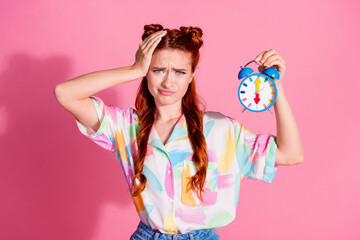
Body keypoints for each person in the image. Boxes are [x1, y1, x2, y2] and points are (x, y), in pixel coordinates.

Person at [54, 24, 304, 240]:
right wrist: (133, 69)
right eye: (158, 70)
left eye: (179, 72)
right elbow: (65, 93)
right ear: (147, 72)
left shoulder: (221, 129)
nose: (168, 82)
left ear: (191, 75)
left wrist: (277, 88)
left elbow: (290, 154)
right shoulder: (126, 127)